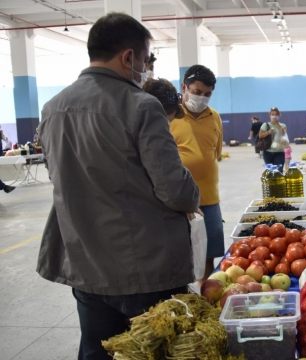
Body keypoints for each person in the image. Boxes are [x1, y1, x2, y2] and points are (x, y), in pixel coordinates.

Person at [36, 13, 199, 360]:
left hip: (86, 264)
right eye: (145, 59)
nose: (145, 69)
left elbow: (58, 177)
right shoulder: (141, 106)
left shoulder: (53, 109)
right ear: (129, 57)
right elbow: (175, 190)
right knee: (156, 349)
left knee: (98, 349)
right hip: (145, 268)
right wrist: (192, 195)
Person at [171, 64, 225, 282]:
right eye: (196, 92)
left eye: (207, 94)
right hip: (178, 201)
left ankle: (204, 295)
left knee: (208, 254)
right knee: (181, 255)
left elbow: (216, 153)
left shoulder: (215, 117)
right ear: (184, 87)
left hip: (209, 198)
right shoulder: (169, 116)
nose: (201, 98)